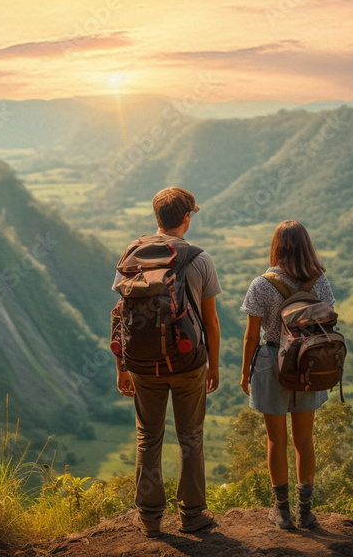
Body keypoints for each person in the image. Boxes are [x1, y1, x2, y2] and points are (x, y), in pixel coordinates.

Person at [112, 187, 221, 537]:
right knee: (190, 437)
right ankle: (191, 515)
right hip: (189, 362)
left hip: (142, 364)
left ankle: (149, 518)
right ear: (186, 219)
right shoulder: (199, 259)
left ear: (157, 217)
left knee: (148, 437)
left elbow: (120, 315)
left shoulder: (133, 255)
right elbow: (211, 320)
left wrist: (122, 367)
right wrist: (214, 366)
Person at [239, 220, 334, 530]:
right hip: (308, 364)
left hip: (270, 362)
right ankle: (306, 512)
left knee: (275, 442)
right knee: (304, 442)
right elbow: (329, 322)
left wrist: (245, 372)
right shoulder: (320, 281)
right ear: (306, 245)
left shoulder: (262, 284)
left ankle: (282, 512)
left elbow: (252, 336)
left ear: (276, 246)